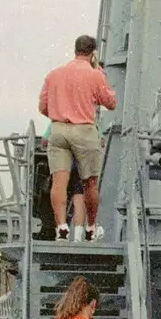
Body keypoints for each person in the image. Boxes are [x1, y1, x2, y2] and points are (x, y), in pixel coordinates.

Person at [38, 35, 116, 241]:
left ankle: (61, 228)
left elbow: (43, 107)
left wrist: (61, 115)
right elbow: (110, 102)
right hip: (84, 130)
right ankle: (91, 229)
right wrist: (100, 72)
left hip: (58, 130)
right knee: (90, 182)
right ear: (93, 53)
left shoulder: (53, 75)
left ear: (75, 49)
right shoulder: (94, 75)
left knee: (59, 182)